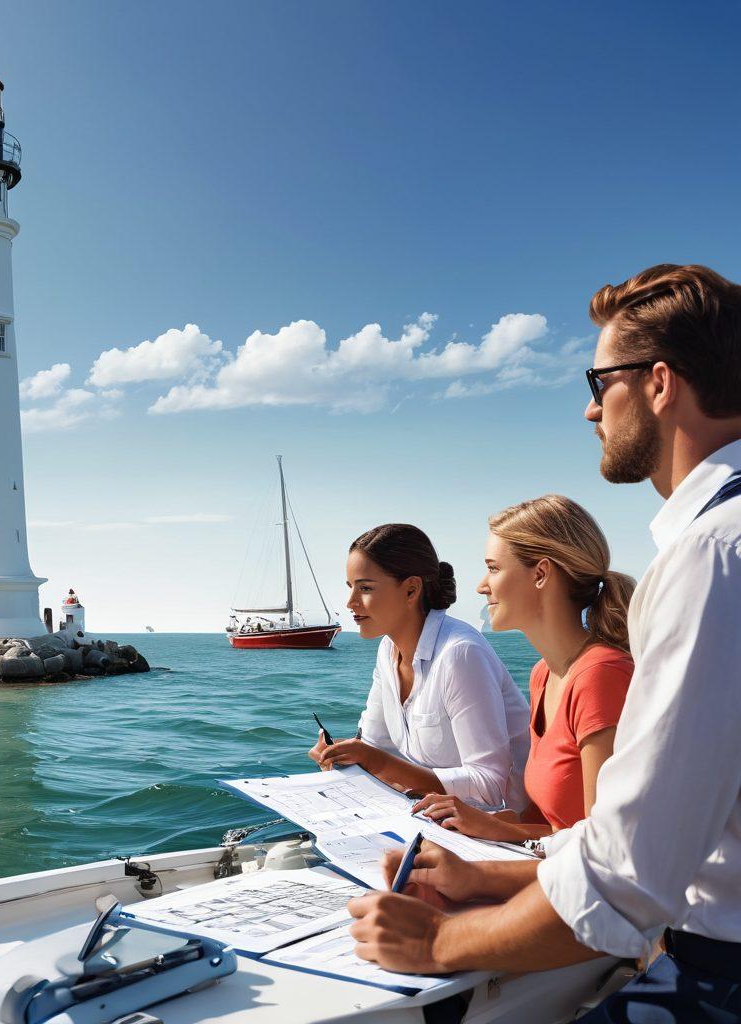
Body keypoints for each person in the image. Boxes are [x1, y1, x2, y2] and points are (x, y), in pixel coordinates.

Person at [347, 264, 741, 1021]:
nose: (591, 411)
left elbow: (629, 873)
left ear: (659, 384)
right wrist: (483, 878)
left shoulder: (711, 556)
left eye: (601, 383)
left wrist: (437, 945)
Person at [412, 495, 635, 845]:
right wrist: (480, 822)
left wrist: (494, 838)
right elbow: (549, 822)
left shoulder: (602, 677)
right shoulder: (543, 675)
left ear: (541, 574)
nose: (481, 586)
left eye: (494, 568)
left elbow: (605, 852)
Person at [309, 523, 530, 810]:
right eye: (350, 587)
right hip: (431, 817)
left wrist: (375, 761)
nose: (351, 602)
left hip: (499, 828)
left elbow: (491, 787)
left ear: (411, 590)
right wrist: (341, 754)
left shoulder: (460, 654)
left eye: (365, 588)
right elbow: (374, 745)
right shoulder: (388, 650)